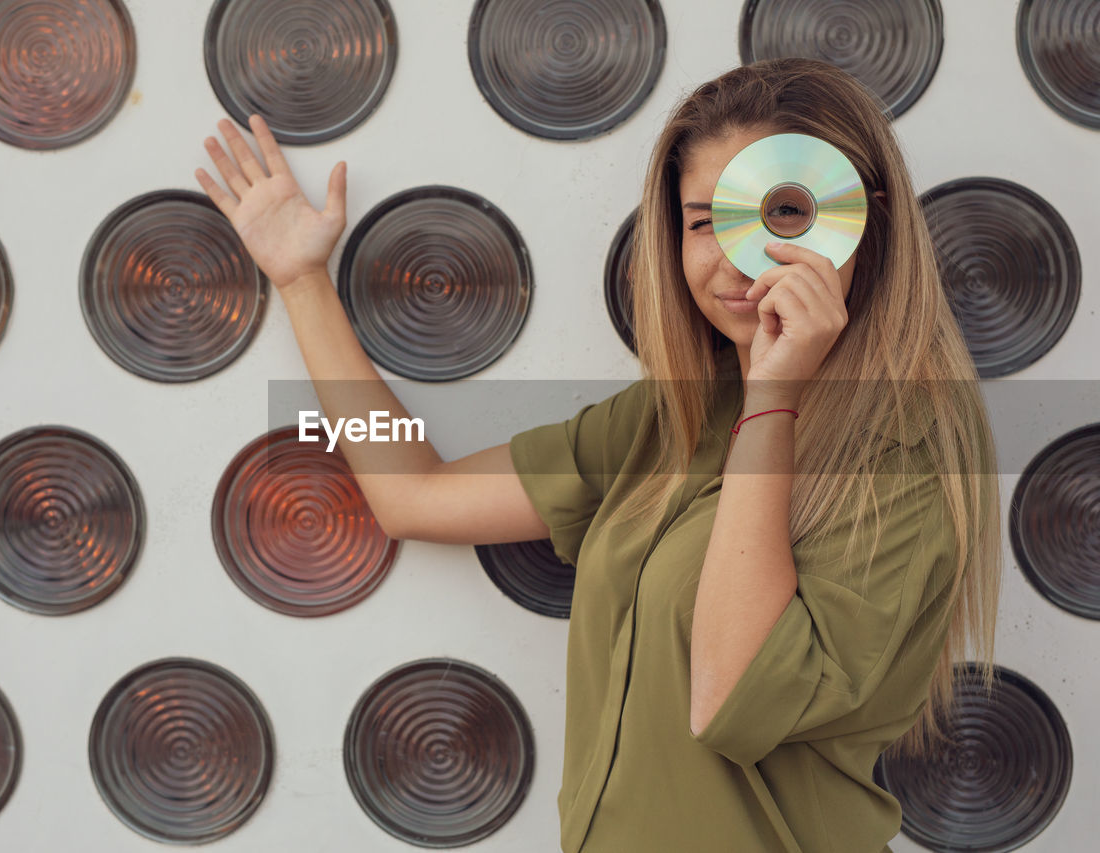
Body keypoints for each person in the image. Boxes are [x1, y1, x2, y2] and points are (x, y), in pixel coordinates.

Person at [194, 57, 1002, 853]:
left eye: (782, 215)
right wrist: (303, 282)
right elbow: (416, 492)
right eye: (700, 222)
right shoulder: (672, 418)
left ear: (868, 221)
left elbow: (728, 702)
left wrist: (774, 394)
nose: (732, 259)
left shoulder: (909, 465)